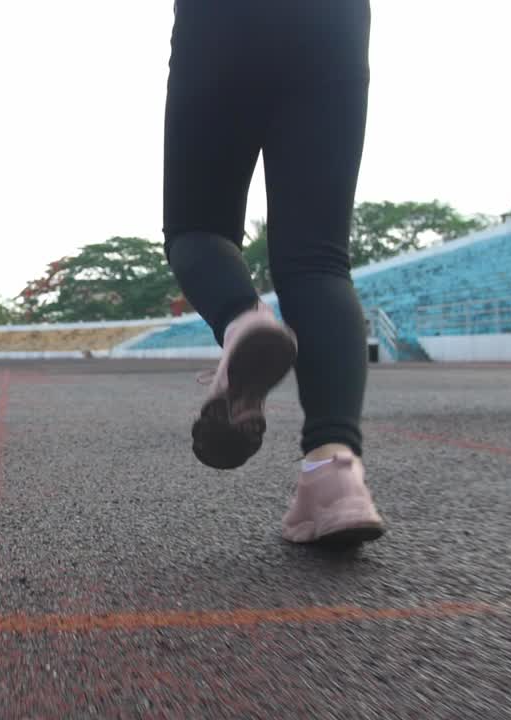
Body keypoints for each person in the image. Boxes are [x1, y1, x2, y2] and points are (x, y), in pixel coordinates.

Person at [162, 0, 385, 544]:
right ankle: (335, 476)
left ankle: (245, 321)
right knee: (319, 261)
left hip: (221, 21)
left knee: (197, 229)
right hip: (334, 22)